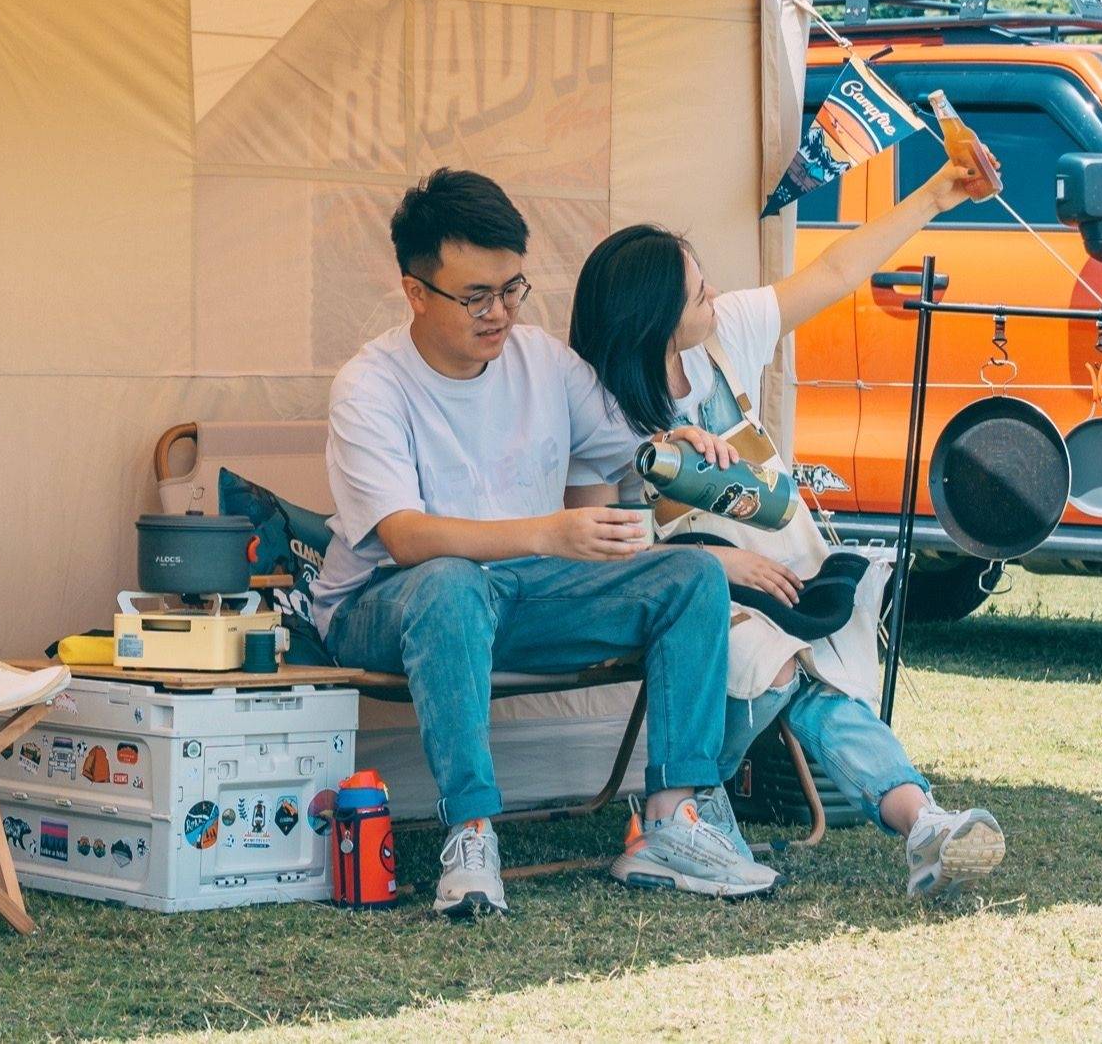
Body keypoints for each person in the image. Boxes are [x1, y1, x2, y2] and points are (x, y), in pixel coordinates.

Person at [311, 168, 775, 920]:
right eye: (476, 296)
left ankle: (669, 821)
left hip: (521, 595)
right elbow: (404, 537)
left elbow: (630, 447)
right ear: (416, 292)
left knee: (689, 576)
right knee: (451, 582)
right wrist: (550, 532)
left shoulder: (544, 363)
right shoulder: (371, 384)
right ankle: (470, 834)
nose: (499, 313)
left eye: (512, 288)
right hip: (385, 606)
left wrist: (671, 443)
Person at [567, 144, 1010, 897]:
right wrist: (715, 563)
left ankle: (922, 823)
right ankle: (686, 814)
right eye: (697, 292)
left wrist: (937, 194)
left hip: (784, 574)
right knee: (778, 661)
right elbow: (594, 547)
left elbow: (836, 270)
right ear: (654, 320)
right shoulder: (600, 408)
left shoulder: (723, 336)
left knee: (808, 670)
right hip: (684, 594)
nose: (714, 294)